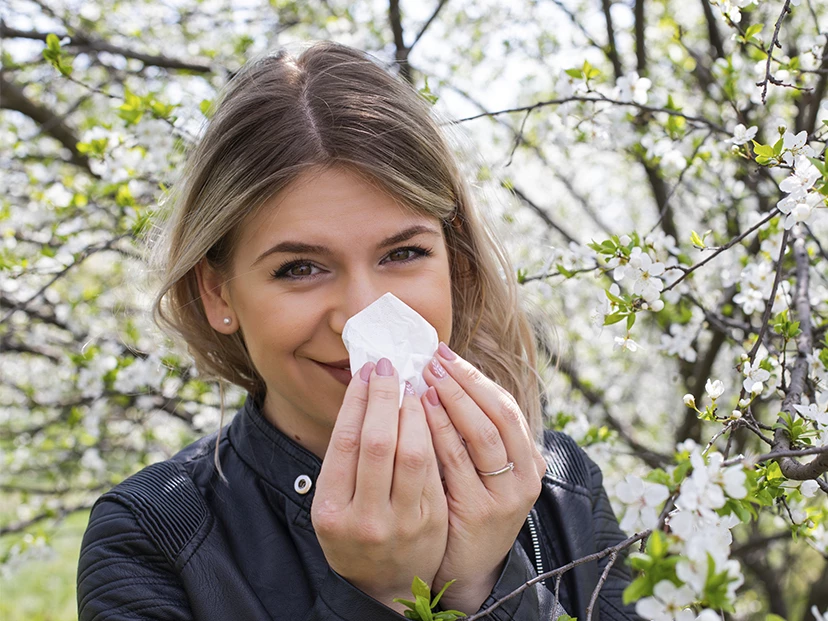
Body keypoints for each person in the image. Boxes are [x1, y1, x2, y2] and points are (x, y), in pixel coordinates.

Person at [77, 41, 639, 621]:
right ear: (218, 293)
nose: (358, 317)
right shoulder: (151, 538)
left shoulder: (558, 484)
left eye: (402, 253)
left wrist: (484, 588)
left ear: (457, 264)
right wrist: (381, 598)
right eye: (299, 268)